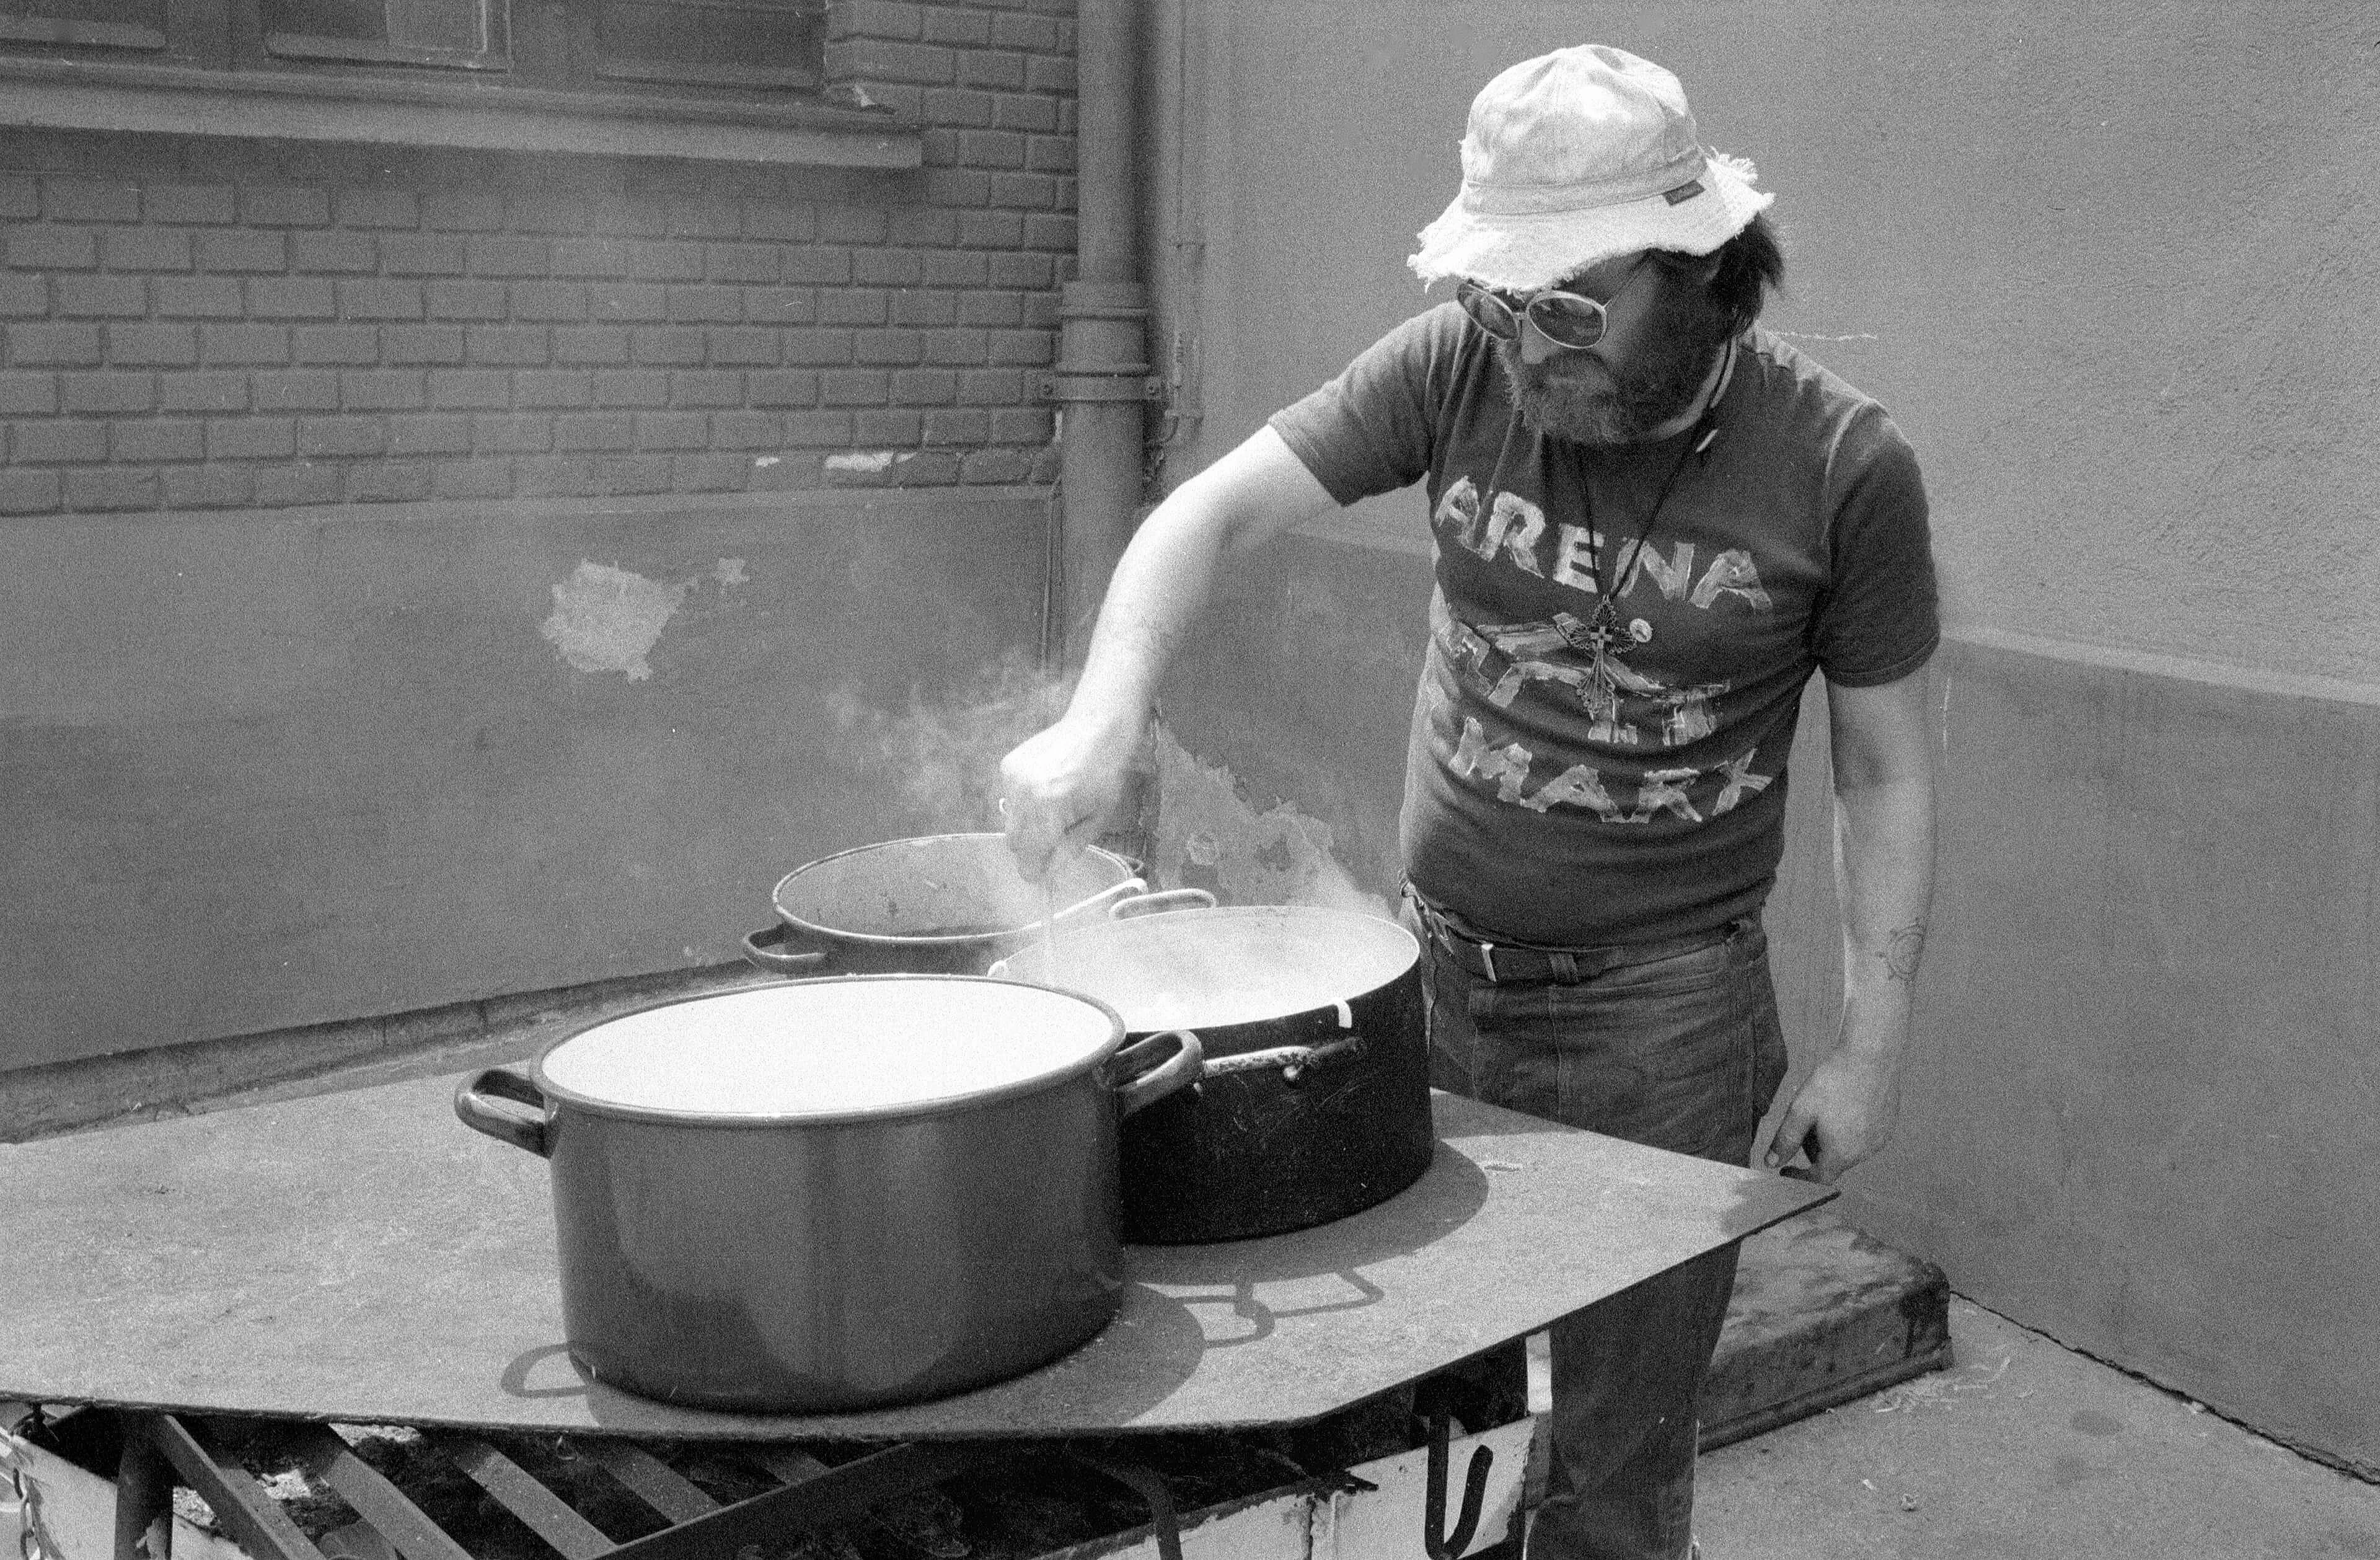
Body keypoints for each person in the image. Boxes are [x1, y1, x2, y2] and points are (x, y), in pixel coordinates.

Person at [999, 43, 1937, 1560]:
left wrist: (1871, 1046)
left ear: (1698, 268)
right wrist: (1099, 721)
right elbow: (1207, 513)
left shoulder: (1841, 465)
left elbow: (1887, 772)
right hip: (1431, 990)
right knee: (1436, 1419)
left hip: (1668, 1030)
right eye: (1501, 299)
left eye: (1570, 304)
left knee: (1614, 1471)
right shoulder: (1456, 370)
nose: (1526, 344)